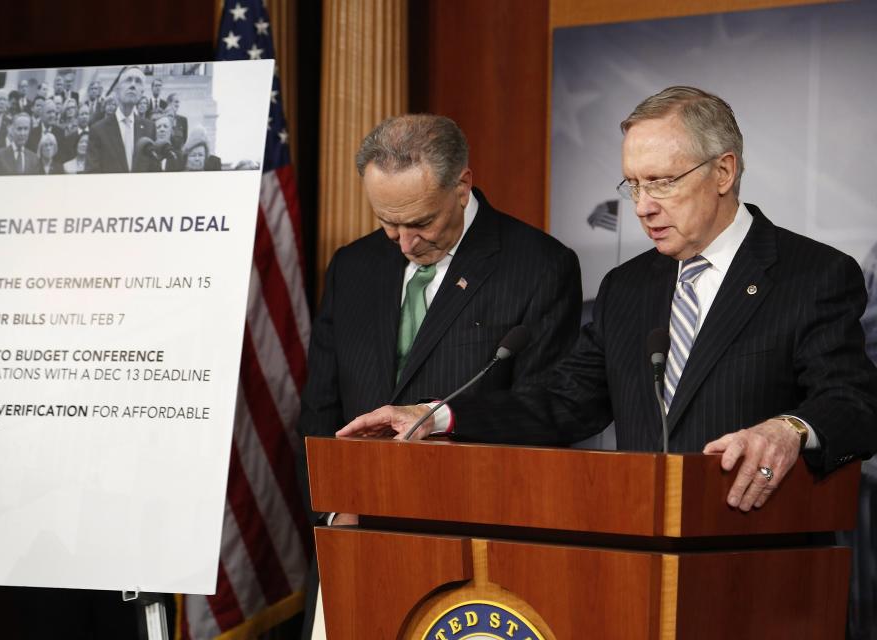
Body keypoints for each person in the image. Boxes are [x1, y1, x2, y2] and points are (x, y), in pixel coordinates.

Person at [340, 87, 877, 514]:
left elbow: (854, 403)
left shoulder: (813, 275)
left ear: (723, 172)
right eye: (633, 185)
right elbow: (562, 402)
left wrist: (791, 429)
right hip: (641, 554)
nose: (643, 207)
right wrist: (437, 416)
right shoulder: (628, 288)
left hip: (756, 556)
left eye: (661, 183)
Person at [296, 113, 582, 639]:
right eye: (387, 222)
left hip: (473, 557)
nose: (404, 242)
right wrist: (335, 512)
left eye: (421, 222)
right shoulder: (353, 267)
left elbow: (547, 413)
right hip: (352, 541)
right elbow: (320, 407)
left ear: (462, 185)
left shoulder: (538, 266)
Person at [85, 66, 156, 173]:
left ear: (141, 93)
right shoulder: (98, 130)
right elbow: (92, 173)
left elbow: (153, 169)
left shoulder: (149, 128)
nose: (133, 85)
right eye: (128, 80)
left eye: (138, 81)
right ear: (117, 90)